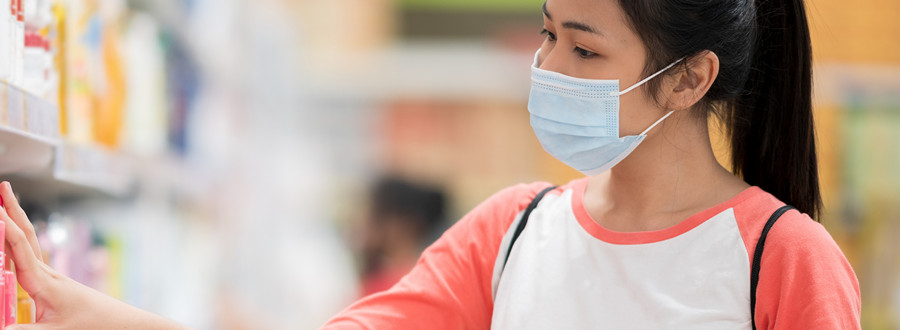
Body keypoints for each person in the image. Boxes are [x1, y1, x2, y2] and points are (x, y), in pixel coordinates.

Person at [0, 0, 861, 328]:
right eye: (547, 35)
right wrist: (83, 305)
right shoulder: (513, 233)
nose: (549, 69)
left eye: (586, 51)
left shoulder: (779, 261)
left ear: (690, 80)